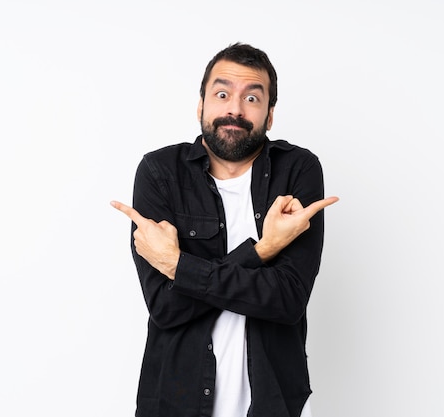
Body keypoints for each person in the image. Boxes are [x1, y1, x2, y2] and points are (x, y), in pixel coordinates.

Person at [111, 42, 338, 417]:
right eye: (222, 94)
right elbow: (166, 307)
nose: (235, 108)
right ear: (201, 105)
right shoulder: (160, 172)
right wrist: (262, 251)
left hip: (275, 401)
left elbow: (287, 300)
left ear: (269, 116)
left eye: (252, 98)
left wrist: (179, 267)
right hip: (176, 402)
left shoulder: (297, 170)